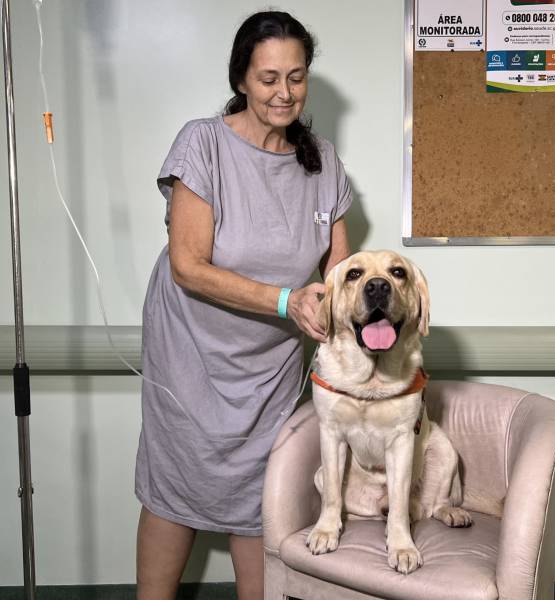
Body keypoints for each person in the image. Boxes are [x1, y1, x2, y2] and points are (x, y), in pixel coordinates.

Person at [134, 10, 352, 600]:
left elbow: (337, 271)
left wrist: (355, 320)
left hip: (272, 359)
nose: (285, 93)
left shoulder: (323, 159)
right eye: (268, 78)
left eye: (297, 77)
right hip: (191, 353)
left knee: (262, 495)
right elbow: (188, 265)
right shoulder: (202, 143)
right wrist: (286, 298)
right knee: (176, 486)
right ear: (241, 80)